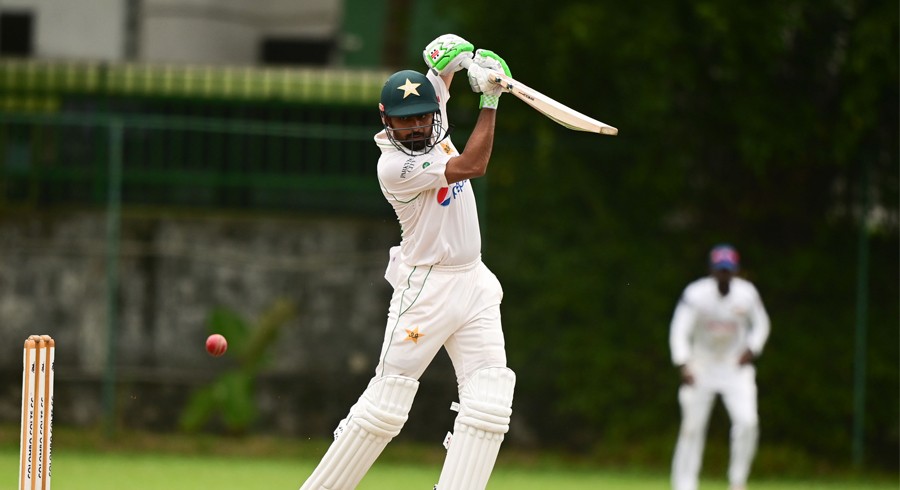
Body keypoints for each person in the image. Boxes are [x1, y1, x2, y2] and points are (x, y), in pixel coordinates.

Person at [298, 34, 515, 490]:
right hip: (427, 290)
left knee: (492, 399)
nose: (415, 128)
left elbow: (443, 72)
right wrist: (490, 100)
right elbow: (472, 166)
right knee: (387, 404)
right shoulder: (395, 167)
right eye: (404, 122)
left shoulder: (432, 115)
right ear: (386, 121)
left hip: (473, 283)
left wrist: (460, 59)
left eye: (421, 118)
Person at [669, 244, 771, 490]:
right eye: (720, 270)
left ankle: (738, 482)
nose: (724, 275)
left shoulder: (747, 294)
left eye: (728, 270)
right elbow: (679, 329)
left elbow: (762, 324)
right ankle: (685, 485)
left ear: (735, 271)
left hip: (734, 366)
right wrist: (684, 363)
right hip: (701, 365)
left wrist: (752, 348)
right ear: (712, 270)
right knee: (692, 427)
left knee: (748, 422)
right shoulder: (695, 294)